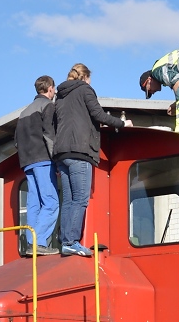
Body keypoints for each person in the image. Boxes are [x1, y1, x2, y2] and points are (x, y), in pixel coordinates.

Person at [53, 63, 131, 257]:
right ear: (85, 77)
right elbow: (97, 114)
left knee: (69, 200)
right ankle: (72, 241)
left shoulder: (60, 96)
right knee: (80, 199)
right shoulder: (85, 90)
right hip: (80, 151)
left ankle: (65, 241)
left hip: (61, 153)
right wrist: (122, 124)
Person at [15, 75, 60, 255]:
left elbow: (17, 141)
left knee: (34, 203)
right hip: (43, 159)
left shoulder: (23, 112)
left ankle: (30, 243)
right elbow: (49, 135)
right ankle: (39, 242)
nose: (55, 91)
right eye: (54, 89)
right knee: (51, 202)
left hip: (27, 162)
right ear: (50, 88)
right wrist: (56, 159)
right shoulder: (48, 106)